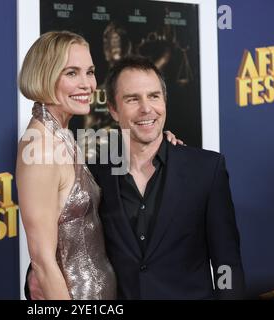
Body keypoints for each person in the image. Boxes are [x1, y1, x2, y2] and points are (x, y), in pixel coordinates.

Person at [27, 55, 246, 300]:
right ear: (113, 109)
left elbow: (227, 263)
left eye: (154, 96)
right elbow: (64, 245)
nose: (146, 108)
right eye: (132, 99)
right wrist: (34, 277)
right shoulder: (94, 173)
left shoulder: (206, 169)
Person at [17, 31, 181, 300]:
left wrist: (160, 144)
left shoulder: (62, 135)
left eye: (90, 72)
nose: (87, 84)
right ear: (45, 75)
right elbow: (43, 263)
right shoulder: (40, 147)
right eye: (71, 73)